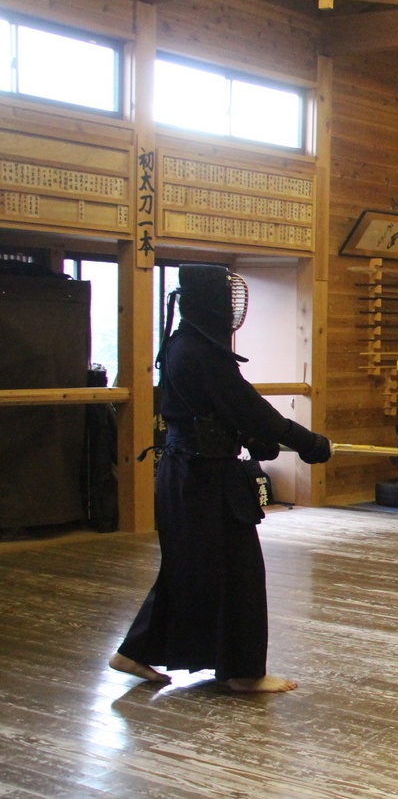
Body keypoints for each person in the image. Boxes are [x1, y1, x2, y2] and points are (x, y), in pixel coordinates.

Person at [109, 265, 331, 693]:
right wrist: (307, 442)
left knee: (191, 568)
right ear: (209, 304)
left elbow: (218, 411)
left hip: (192, 473)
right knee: (237, 572)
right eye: (226, 300)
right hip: (201, 477)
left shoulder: (186, 345)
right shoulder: (198, 351)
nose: (232, 310)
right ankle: (244, 672)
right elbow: (248, 407)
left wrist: (251, 438)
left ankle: (134, 652)